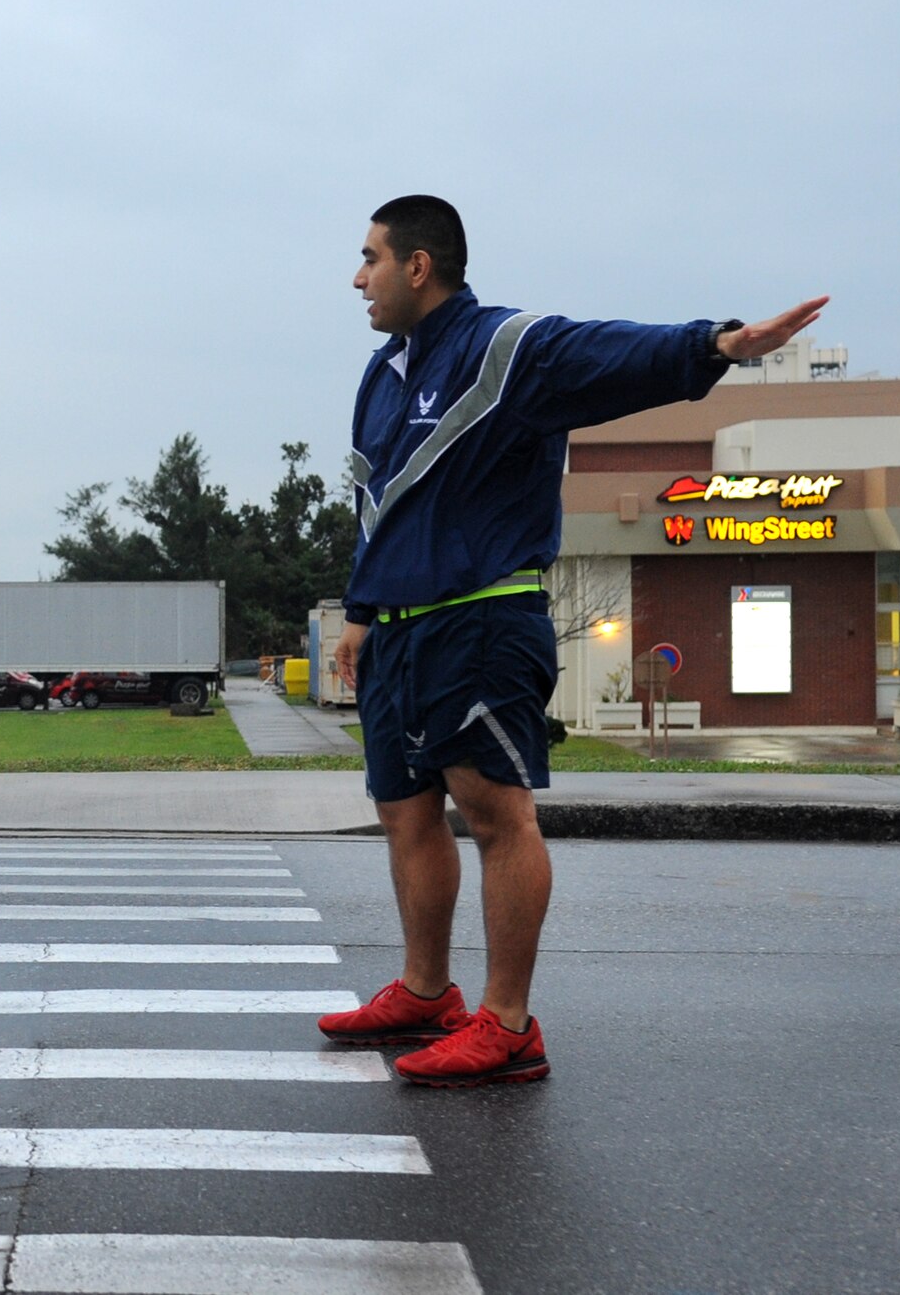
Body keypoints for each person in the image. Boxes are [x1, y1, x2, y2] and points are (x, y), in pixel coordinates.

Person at [320, 194, 826, 1089]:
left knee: (494, 813)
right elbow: (381, 506)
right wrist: (360, 611)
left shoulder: (506, 349)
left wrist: (714, 345)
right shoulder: (381, 373)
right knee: (405, 812)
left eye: (370, 258)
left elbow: (607, 351)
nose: (358, 277)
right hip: (398, 630)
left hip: (480, 618)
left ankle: (508, 1023)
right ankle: (426, 991)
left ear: (420, 266)